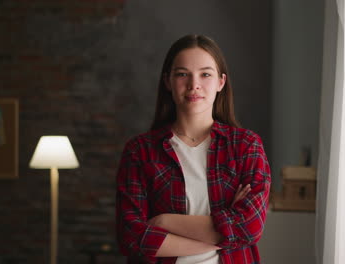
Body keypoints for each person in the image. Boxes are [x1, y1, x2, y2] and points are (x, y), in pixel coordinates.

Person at [115, 34, 271, 264]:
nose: (194, 84)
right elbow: (131, 236)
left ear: (221, 82)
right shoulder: (140, 151)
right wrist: (224, 235)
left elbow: (250, 227)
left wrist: (163, 222)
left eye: (205, 74)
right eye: (182, 74)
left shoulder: (246, 146)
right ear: (168, 81)